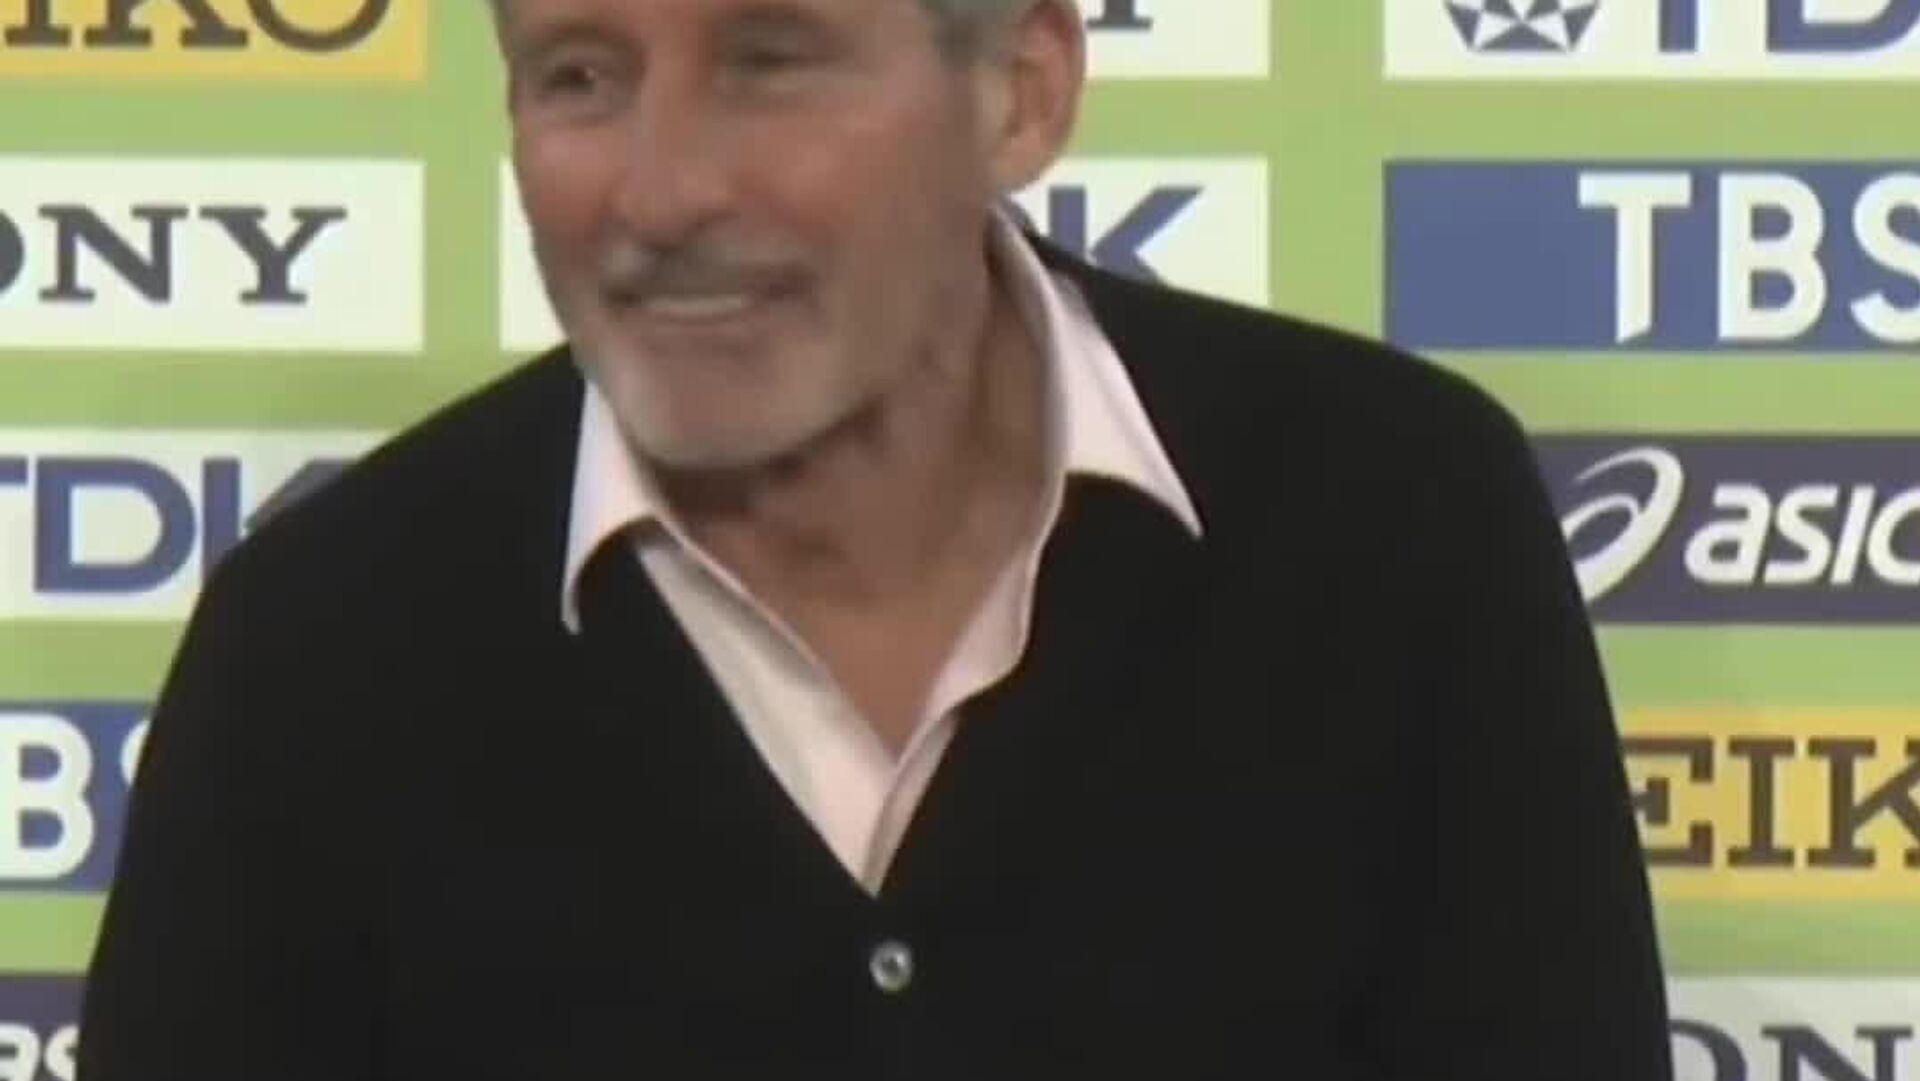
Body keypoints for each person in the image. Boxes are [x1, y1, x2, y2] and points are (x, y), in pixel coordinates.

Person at [76, 0, 1673, 1076]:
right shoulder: (319, 651)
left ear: (1020, 92)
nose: (660, 192)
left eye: (772, 60)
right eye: (578, 75)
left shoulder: (1395, 524)